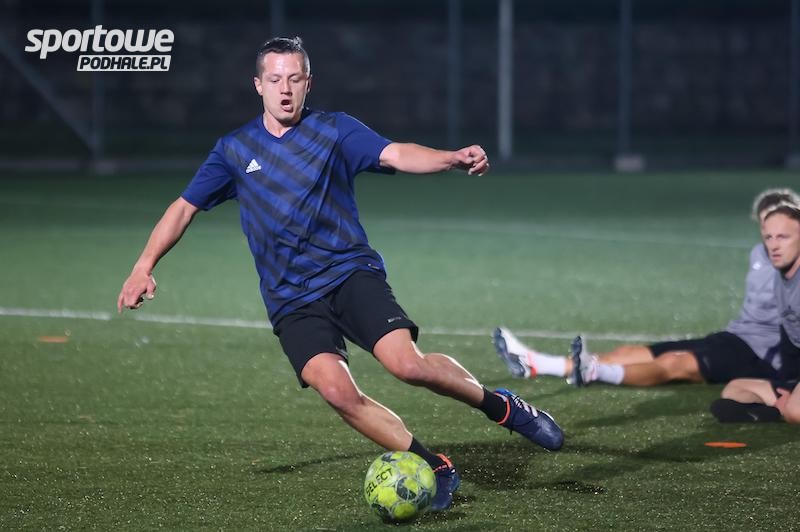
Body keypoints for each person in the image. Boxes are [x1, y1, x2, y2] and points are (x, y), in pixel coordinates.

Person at [117, 36, 563, 512]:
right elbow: (184, 207)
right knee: (337, 392)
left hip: (348, 272)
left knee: (407, 365)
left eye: (294, 79)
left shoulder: (335, 130)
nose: (285, 89)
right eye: (275, 79)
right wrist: (143, 267)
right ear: (258, 85)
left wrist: (450, 158)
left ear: (308, 83)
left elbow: (396, 153)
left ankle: (501, 406)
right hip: (290, 299)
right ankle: (434, 465)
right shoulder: (234, 149)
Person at [492, 188, 800, 388]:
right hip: (733, 337)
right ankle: (538, 364)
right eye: (766, 230)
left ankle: (593, 372)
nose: (772, 240)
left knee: (674, 364)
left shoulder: (791, 264)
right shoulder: (759, 254)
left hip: (760, 355)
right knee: (632, 352)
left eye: (781, 233)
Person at [711, 201, 800, 423]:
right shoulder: (781, 280)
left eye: (783, 237)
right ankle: (772, 412)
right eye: (769, 238)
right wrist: (790, 384)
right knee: (736, 389)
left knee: (795, 411)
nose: (774, 245)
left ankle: (788, 409)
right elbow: (791, 340)